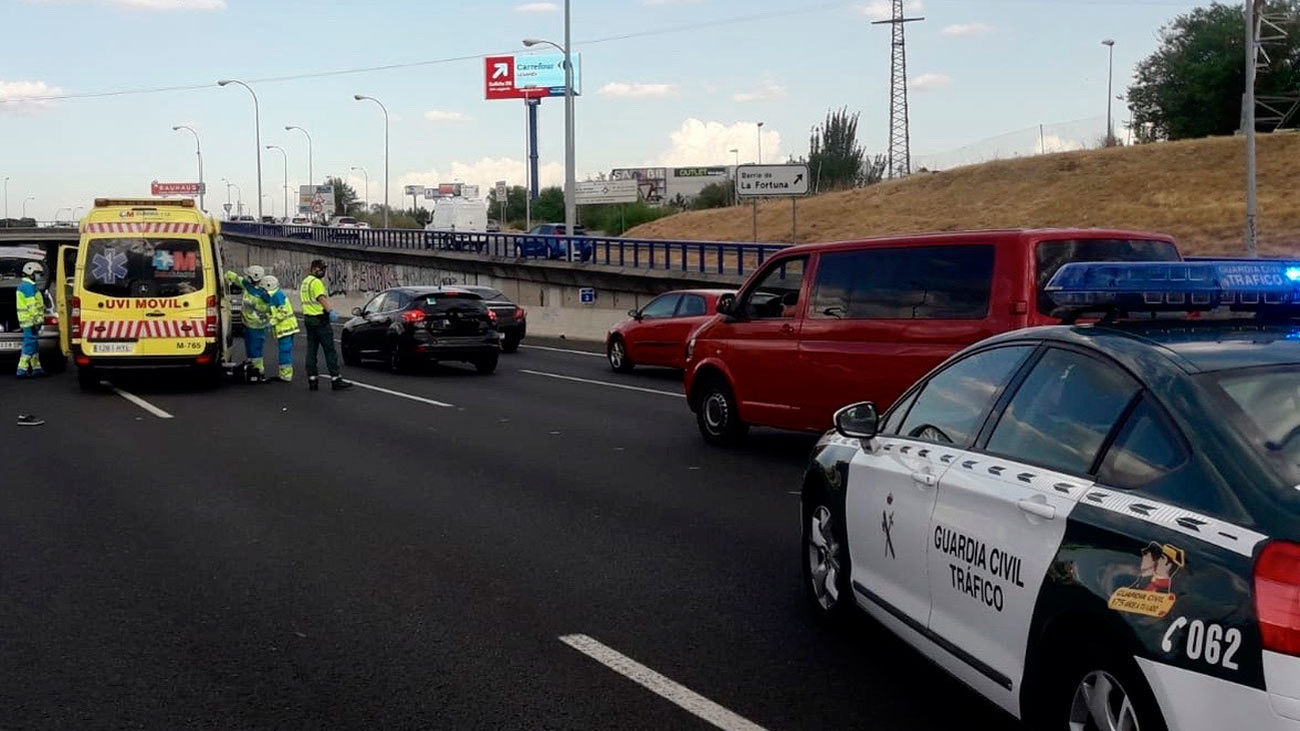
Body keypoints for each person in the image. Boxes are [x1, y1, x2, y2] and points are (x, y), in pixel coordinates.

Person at [299, 259, 351, 391]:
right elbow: (321, 298)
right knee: (329, 350)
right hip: (320, 320)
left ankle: (312, 379)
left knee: (311, 350)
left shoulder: (305, 282)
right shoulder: (316, 282)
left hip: (308, 319)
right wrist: (331, 311)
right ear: (315, 269)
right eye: (322, 269)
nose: (323, 272)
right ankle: (335, 378)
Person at [225, 265, 270, 382]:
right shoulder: (248, 286)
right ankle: (252, 368)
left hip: (256, 325)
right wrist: (225, 274)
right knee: (250, 348)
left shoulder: (264, 294)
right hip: (249, 324)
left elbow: (267, 308)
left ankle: (258, 371)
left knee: (255, 349)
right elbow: (235, 278)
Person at [260, 276, 299, 383]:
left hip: (285, 328)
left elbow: (283, 312)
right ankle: (285, 374)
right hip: (288, 327)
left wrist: (271, 322)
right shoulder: (276, 295)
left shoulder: (277, 296)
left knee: (284, 352)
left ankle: (285, 375)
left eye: (263, 288)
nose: (263, 290)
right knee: (286, 351)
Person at [15, 261, 46, 378]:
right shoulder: (28, 287)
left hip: (28, 320)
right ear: (30, 273)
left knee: (34, 344)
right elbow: (31, 306)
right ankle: (21, 369)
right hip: (30, 321)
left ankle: (36, 368)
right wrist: (37, 319)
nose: (39, 276)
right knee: (30, 344)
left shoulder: (26, 286)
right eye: (37, 273)